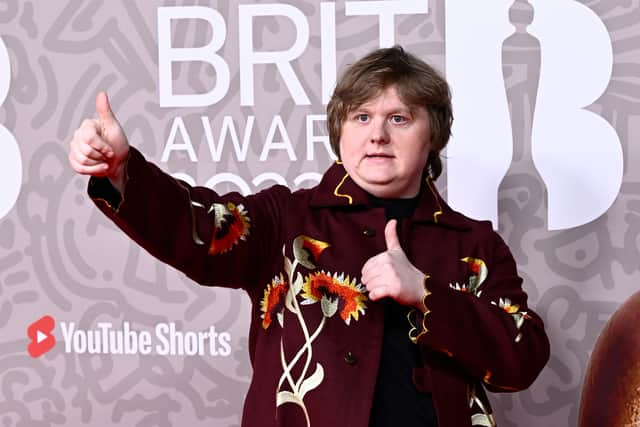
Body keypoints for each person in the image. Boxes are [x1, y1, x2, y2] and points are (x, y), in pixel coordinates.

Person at [68, 46, 550, 427]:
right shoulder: (285, 219)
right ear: (340, 132)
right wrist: (123, 172)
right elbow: (197, 225)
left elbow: (522, 358)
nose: (377, 134)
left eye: (399, 118)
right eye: (362, 117)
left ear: (434, 136)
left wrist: (425, 294)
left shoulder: (474, 244)